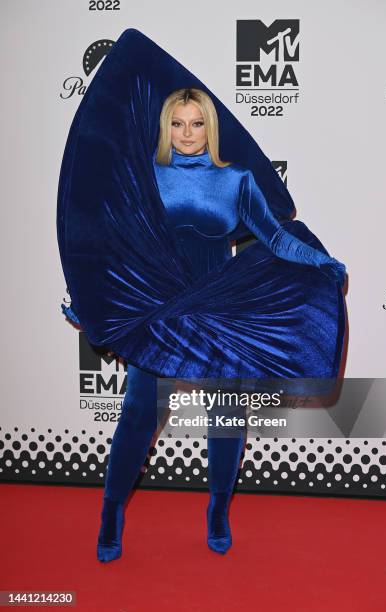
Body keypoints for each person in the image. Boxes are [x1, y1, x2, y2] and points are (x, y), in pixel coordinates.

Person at [57, 29, 347, 562]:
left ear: (208, 128)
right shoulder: (146, 178)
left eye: (196, 124)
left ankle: (216, 509)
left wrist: (321, 262)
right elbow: (106, 238)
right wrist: (88, 298)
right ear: (164, 126)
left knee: (227, 414)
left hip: (218, 304)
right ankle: (112, 510)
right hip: (160, 305)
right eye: (177, 123)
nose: (187, 133)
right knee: (140, 412)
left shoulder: (235, 180)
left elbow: (276, 237)